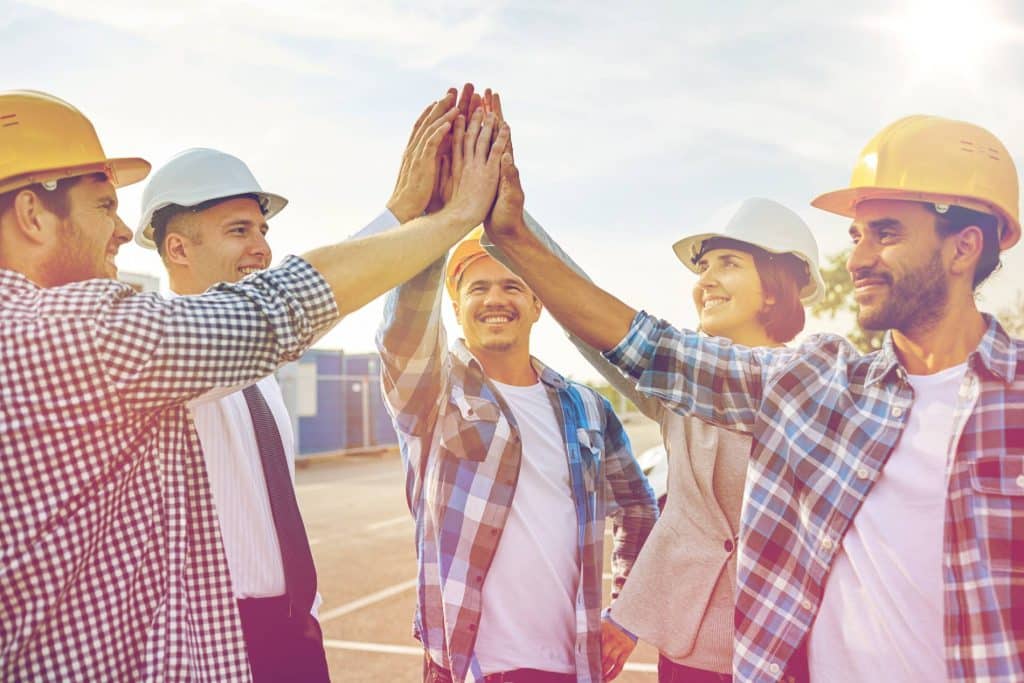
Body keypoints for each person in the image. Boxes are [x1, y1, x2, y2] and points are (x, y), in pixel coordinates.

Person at [484, 114, 1022, 682]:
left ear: (964, 248)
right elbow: (642, 345)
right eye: (857, 237)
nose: (859, 260)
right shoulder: (822, 387)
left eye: (886, 234)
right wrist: (514, 235)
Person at [0, 88, 508, 681]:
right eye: (103, 205)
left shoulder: (122, 353)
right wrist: (447, 218)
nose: (118, 229)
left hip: (288, 631)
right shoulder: (83, 338)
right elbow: (276, 308)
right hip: (219, 637)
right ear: (34, 215)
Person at [374, 92, 657, 681]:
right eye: (477, 289)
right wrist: (438, 215)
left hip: (570, 664)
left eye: (511, 286)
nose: (495, 299)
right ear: (456, 305)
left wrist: (626, 614)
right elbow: (401, 332)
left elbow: (638, 509)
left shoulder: (586, 409)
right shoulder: (434, 397)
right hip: (467, 667)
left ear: (536, 305)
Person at [523, 199, 822, 683]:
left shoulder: (814, 383)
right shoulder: (677, 393)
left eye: (729, 263)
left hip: (790, 646)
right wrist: (514, 232)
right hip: (694, 653)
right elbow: (592, 326)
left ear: (774, 291)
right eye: (703, 267)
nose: (706, 280)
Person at [133, 147, 386, 681]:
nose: (262, 250)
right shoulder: (156, 357)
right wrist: (404, 215)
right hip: (219, 636)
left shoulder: (262, 373)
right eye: (240, 231)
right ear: (178, 247)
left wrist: (306, 614)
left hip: (293, 629)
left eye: (262, 232)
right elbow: (306, 299)